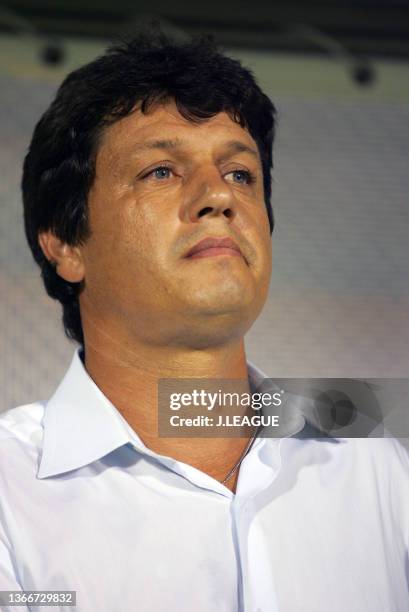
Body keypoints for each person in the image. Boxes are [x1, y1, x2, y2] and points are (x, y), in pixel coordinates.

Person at [0, 27, 408, 612]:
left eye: (241, 174)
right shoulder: (9, 489)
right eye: (161, 171)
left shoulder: (378, 449)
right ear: (66, 243)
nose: (219, 196)